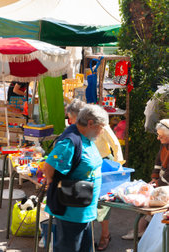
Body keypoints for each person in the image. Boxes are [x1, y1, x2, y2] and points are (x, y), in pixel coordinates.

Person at [43, 104, 108, 252]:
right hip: (71, 211)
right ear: (90, 123)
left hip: (84, 209)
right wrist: (53, 183)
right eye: (101, 127)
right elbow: (48, 167)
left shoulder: (86, 137)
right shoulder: (70, 142)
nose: (102, 131)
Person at [65, 99, 123, 250]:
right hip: (87, 163)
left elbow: (115, 144)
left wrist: (118, 166)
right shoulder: (77, 128)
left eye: (71, 117)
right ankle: (87, 238)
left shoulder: (98, 123)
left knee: (102, 201)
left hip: (104, 163)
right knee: (87, 199)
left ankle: (105, 235)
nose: (70, 121)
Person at [122, 118, 169, 240]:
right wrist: (154, 178)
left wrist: (157, 184)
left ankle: (141, 230)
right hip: (163, 181)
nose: (158, 138)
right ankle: (142, 230)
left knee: (153, 204)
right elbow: (158, 162)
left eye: (161, 136)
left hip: (167, 184)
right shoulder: (164, 144)